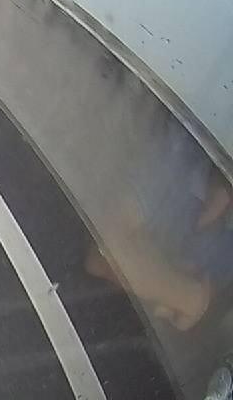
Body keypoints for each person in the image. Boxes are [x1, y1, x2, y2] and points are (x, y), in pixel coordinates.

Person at [85, 121, 233, 331]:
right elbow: (105, 250)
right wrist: (188, 296)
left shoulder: (226, 247)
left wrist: (178, 293)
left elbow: (190, 323)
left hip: (126, 332)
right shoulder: (184, 146)